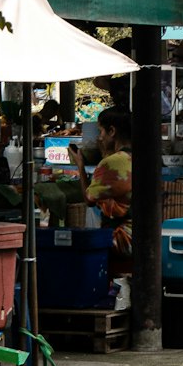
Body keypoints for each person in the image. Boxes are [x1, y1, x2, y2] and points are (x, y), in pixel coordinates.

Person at [70, 107, 132, 268]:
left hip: (123, 238)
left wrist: (80, 166)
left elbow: (89, 199)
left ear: (112, 131)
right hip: (148, 235)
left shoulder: (114, 162)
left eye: (101, 131)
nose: (100, 137)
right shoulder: (144, 155)